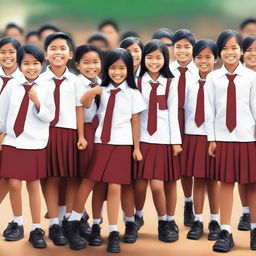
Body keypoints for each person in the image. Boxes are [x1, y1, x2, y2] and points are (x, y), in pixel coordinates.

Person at [64, 48, 145, 253]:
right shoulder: (102, 88)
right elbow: (82, 104)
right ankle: (73, 221)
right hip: (101, 141)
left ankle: (114, 231)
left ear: (129, 69)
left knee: (116, 187)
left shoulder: (134, 93)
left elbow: (135, 122)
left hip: (122, 143)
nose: (117, 72)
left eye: (122, 68)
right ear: (106, 69)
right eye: (112, 68)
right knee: (89, 181)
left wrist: (136, 148)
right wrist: (94, 91)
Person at [205, 30, 256, 252]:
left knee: (252, 184)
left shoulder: (253, 78)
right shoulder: (213, 78)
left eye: (234, 47)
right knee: (226, 183)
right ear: (219, 52)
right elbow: (209, 110)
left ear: (242, 51)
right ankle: (226, 231)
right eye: (224, 48)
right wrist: (212, 139)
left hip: (248, 137)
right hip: (223, 137)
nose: (230, 52)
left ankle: (255, 229)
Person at [0, 44, 55, 248]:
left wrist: (38, 102)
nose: (31, 68)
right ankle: (18, 222)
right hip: (13, 141)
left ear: (42, 65)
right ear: (19, 64)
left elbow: (51, 116)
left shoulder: (47, 87)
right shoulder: (12, 86)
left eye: (35, 64)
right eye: (26, 63)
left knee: (33, 185)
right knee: (13, 183)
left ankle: (36, 228)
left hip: (34, 142)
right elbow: (3, 115)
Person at [40, 32, 86, 247]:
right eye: (53, 48)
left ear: (70, 55)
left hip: (69, 134)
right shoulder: (39, 80)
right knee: (52, 178)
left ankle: (69, 220)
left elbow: (79, 110)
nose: (58, 52)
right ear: (46, 54)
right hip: (47, 134)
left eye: (62, 49)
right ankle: (54, 224)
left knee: (71, 177)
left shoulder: (76, 81)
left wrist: (81, 136)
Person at [134, 39, 182, 243]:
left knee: (158, 185)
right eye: (150, 57)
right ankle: (136, 217)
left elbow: (173, 114)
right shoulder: (136, 82)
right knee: (138, 184)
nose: (154, 61)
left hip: (163, 140)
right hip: (142, 139)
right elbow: (133, 114)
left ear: (165, 58)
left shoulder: (171, 82)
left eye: (158, 57)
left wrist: (175, 142)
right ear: (144, 59)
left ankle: (165, 221)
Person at [181, 39, 220, 241]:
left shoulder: (220, 81)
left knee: (212, 180)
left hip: (213, 136)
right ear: (193, 59)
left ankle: (215, 220)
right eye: (199, 57)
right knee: (197, 179)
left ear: (216, 59)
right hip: (192, 135)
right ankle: (197, 220)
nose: (203, 61)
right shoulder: (187, 81)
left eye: (208, 57)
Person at [170, 29, 198, 227]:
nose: (182, 51)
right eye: (178, 46)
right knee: (175, 168)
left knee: (191, 166)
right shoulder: (166, 71)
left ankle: (191, 204)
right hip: (171, 122)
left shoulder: (200, 71)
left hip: (192, 124)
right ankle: (184, 203)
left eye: (187, 47)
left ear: (193, 49)